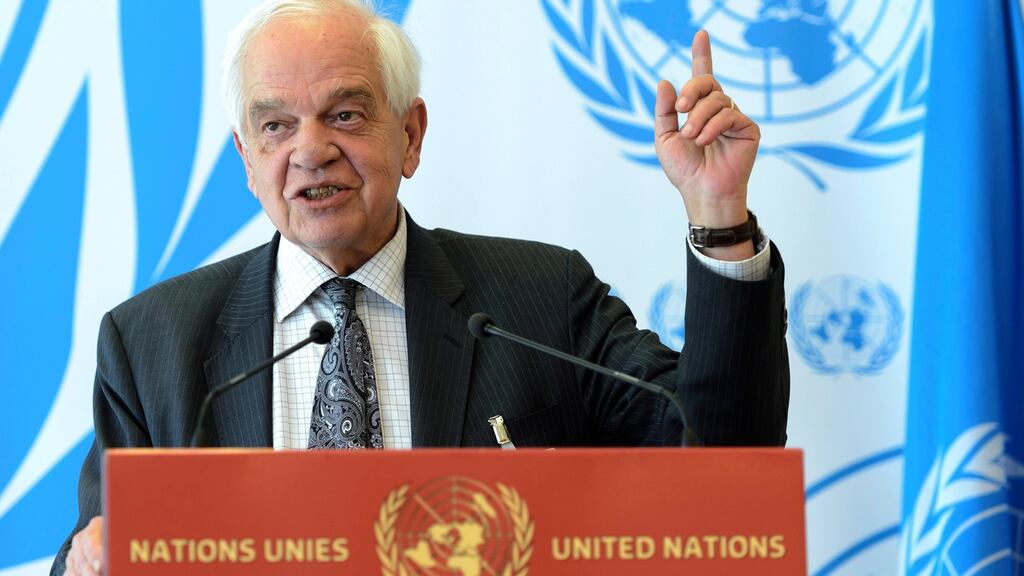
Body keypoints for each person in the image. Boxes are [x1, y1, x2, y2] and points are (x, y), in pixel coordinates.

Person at [54, 0, 789, 574]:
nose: (310, 150)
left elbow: (723, 462)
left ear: (410, 135)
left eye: (345, 114)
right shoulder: (152, 342)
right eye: (276, 126)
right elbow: (94, 549)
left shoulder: (538, 299)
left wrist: (717, 215)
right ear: (248, 161)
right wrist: (84, 565)